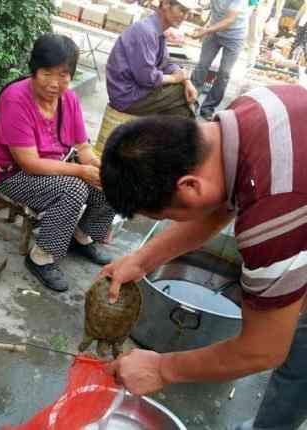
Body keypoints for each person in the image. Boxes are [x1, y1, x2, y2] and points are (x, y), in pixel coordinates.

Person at [99, 84, 307, 429]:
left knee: (296, 351)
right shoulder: (249, 110)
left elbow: (263, 349)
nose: (171, 223)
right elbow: (221, 201)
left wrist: (162, 368)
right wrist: (143, 259)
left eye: (167, 216)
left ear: (190, 186)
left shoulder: (270, 220)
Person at [0, 33, 115, 293]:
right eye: (47, 74)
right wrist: (80, 171)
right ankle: (40, 257)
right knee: (73, 189)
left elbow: (83, 148)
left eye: (64, 75)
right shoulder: (15, 99)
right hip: (13, 174)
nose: (55, 83)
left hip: (57, 165)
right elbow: (29, 163)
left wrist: (101, 169)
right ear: (34, 70)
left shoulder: (69, 100)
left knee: (112, 180)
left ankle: (81, 235)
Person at [105, 0, 199, 117]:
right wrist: (175, 78)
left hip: (137, 91)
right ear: (165, 4)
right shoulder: (146, 31)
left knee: (181, 111)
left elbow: (166, 63)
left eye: (187, 13)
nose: (184, 17)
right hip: (127, 96)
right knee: (180, 93)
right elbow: (147, 78)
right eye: (182, 11)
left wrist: (186, 81)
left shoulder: (157, 31)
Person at [189, 0, 248, 120]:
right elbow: (203, 5)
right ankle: (191, 102)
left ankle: (208, 108)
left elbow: (229, 20)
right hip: (214, 32)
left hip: (235, 37)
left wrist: (205, 31)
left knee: (224, 73)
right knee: (202, 65)